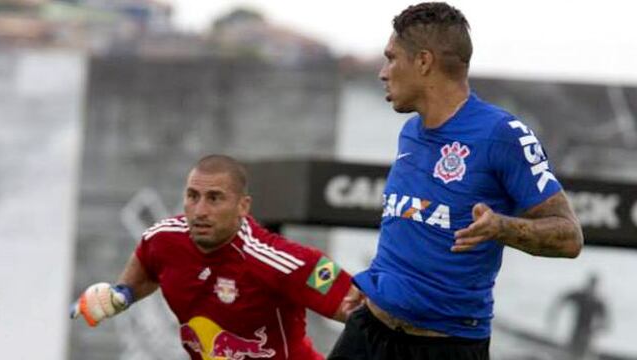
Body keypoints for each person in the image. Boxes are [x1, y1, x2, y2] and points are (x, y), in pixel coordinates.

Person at [328, 3, 584, 360]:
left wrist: (501, 227)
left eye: (391, 58)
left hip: (446, 346)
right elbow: (412, 221)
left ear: (423, 62)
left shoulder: (502, 134)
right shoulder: (410, 131)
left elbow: (570, 237)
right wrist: (380, 282)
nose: (383, 72)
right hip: (369, 329)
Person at [72, 154, 362, 360]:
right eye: (192, 196)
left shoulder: (281, 260)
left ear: (243, 206)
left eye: (214, 198)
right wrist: (118, 296)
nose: (199, 211)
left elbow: (367, 313)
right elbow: (145, 274)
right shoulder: (161, 239)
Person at [548, 273, 609, 359]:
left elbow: (605, 323)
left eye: (593, 286)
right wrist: (554, 315)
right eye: (590, 285)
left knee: (582, 353)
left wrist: (596, 329)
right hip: (576, 332)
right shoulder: (580, 296)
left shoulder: (597, 303)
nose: (591, 289)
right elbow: (563, 298)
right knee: (572, 352)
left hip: (588, 334)